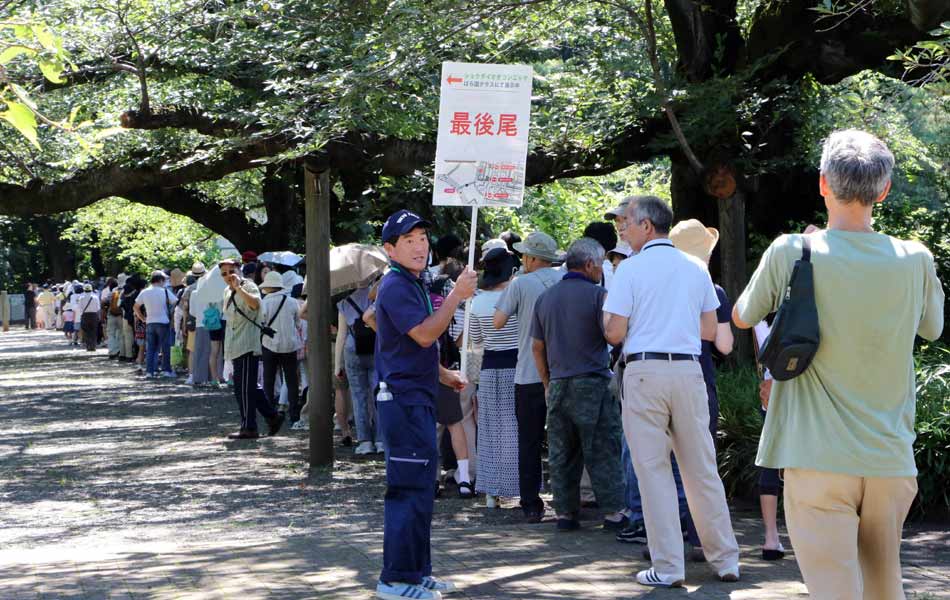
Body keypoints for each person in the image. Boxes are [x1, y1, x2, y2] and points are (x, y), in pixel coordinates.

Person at [733, 129, 945, 600]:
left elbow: (743, 315)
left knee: (835, 591)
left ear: (823, 183)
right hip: (890, 457)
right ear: (883, 190)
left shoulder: (793, 250)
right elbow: (932, 328)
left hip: (816, 456)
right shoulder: (915, 258)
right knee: (884, 589)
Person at [604, 195, 740, 588]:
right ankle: (726, 560)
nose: (622, 229)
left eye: (625, 222)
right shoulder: (696, 267)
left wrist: (632, 326)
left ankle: (668, 568)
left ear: (647, 225)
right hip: (688, 370)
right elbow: (711, 331)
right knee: (702, 470)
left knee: (654, 473)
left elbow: (614, 331)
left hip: (644, 371)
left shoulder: (631, 269)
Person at [372, 209, 476, 600]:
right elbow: (423, 333)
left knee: (420, 488)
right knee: (408, 490)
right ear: (390, 249)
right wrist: (456, 296)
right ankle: (394, 580)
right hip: (403, 401)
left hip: (416, 397)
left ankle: (415, 573)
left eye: (422, 239)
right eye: (409, 241)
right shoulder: (397, 285)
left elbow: (408, 342)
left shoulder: (411, 282)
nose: (420, 247)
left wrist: (441, 373)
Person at [532, 238, 626, 531]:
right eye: (599, 265)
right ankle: (613, 513)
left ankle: (565, 514)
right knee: (603, 449)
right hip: (593, 383)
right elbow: (614, 336)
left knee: (562, 453)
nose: (601, 271)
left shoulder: (546, 298)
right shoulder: (599, 296)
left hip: (558, 384)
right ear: (589, 265)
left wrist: (547, 382)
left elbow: (537, 346)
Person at [493, 231, 564, 523]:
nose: (522, 259)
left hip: (528, 373)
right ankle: (568, 500)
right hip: (564, 371)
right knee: (567, 439)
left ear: (533, 259)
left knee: (529, 440)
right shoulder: (566, 280)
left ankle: (531, 503)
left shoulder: (520, 284)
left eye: (524, 255)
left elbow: (498, 322)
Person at [470, 247, 520, 508]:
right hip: (516, 367)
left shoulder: (476, 302)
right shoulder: (516, 296)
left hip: (489, 369)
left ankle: (490, 492)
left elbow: (476, 340)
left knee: (489, 431)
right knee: (515, 428)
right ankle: (516, 487)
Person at [220, 256, 284, 440]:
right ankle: (273, 416)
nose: (228, 276)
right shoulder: (226, 291)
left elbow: (255, 304)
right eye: (224, 274)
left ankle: (249, 427)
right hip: (234, 344)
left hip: (248, 343)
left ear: (239, 270)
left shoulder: (249, 286)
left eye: (231, 272)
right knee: (244, 387)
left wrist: (238, 287)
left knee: (245, 389)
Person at [339, 283, 380, 454]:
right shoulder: (377, 296)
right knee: (379, 394)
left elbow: (342, 334)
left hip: (352, 347)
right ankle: (381, 440)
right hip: (376, 346)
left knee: (358, 395)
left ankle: (364, 441)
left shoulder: (343, 302)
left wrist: (337, 365)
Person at [259, 270, 303, 427]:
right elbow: (298, 324)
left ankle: (269, 414)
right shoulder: (292, 302)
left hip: (269, 345)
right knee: (292, 380)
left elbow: (261, 323)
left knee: (268, 381)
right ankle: (294, 414)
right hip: (289, 345)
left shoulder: (263, 303)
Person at [134, 271, 177, 378]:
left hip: (150, 322)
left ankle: (150, 371)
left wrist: (142, 318)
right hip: (163, 322)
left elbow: (135, 306)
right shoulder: (165, 292)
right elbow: (175, 302)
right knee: (165, 347)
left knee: (151, 348)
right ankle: (166, 370)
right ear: (161, 280)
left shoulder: (144, 292)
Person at [75, 283, 101, 352]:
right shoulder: (95, 297)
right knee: (94, 331)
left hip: (85, 315)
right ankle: (93, 346)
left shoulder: (81, 298)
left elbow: (79, 308)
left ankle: (88, 346)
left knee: (86, 331)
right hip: (94, 315)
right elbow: (98, 308)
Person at [105, 278, 125, 359]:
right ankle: (120, 351)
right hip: (121, 315)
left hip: (111, 314)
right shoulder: (125, 290)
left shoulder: (113, 291)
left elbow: (105, 301)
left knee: (111, 334)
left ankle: (112, 351)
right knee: (120, 334)